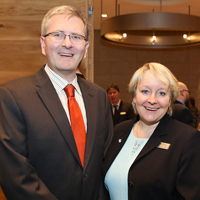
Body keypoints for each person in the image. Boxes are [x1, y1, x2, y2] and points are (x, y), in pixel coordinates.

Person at [0, 5, 113, 200]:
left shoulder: (100, 97)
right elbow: (16, 176)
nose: (67, 44)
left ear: (85, 49)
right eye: (58, 35)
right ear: (43, 44)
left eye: (76, 37)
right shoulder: (12, 96)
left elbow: (106, 162)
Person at [102, 63, 200, 200]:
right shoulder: (119, 131)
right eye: (145, 91)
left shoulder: (187, 139)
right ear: (134, 96)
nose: (152, 100)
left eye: (161, 93)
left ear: (170, 100)